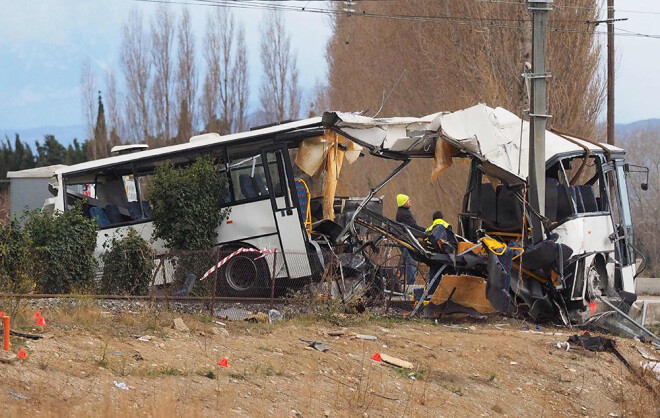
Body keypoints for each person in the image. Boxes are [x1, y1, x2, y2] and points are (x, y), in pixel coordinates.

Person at [395, 194, 423, 285]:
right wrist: (425, 231)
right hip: (406, 241)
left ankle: (395, 280)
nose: (410, 201)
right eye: (407, 200)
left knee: (404, 263)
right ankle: (411, 284)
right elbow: (413, 227)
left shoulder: (405, 212)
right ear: (403, 203)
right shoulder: (403, 214)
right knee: (410, 262)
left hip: (406, 240)